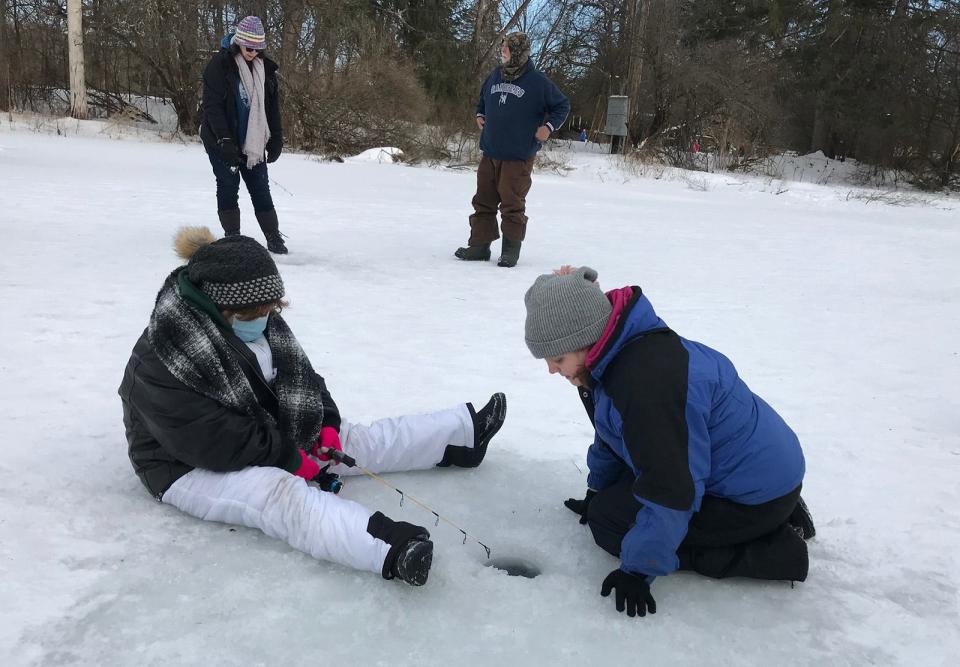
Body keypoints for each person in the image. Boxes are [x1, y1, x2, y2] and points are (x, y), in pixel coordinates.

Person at [119, 227, 508, 586]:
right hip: (183, 466)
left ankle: (463, 435)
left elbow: (301, 377)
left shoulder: (252, 318)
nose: (267, 319)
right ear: (222, 308)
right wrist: (290, 457)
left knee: (353, 441)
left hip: (260, 432)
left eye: (272, 309)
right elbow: (213, 441)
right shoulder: (164, 355)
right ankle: (391, 548)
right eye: (257, 314)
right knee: (278, 494)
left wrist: (326, 423)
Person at [523, 266, 814, 617]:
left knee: (611, 526)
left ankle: (774, 550)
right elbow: (613, 437)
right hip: (757, 472)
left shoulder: (646, 387)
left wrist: (637, 570)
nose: (552, 370)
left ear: (585, 340)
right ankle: (775, 512)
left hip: (749, 499)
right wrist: (596, 490)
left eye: (558, 358)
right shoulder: (623, 347)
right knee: (608, 504)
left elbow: (673, 491)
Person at [454, 32, 570, 268]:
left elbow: (562, 105)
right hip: (490, 151)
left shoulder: (538, 82)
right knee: (483, 201)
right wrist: (479, 114)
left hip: (518, 155)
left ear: (518, 51)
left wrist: (548, 127)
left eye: (507, 47)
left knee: (512, 203)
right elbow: (482, 101)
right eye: (502, 46)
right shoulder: (495, 75)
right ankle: (479, 246)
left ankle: (510, 251)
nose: (503, 50)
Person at [200, 15, 288, 254]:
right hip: (221, 140)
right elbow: (212, 107)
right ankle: (233, 238)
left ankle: (273, 237)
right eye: (249, 47)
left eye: (258, 48)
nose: (253, 52)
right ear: (239, 42)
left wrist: (277, 136)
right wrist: (224, 139)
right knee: (228, 185)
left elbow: (271, 108)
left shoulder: (265, 69)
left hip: (254, 143)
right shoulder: (220, 66)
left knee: (260, 187)